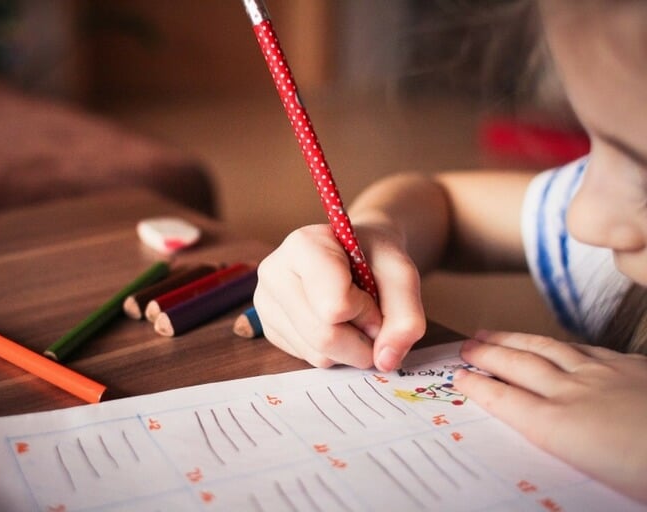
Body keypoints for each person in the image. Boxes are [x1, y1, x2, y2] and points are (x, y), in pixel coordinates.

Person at [252, 0, 647, 503]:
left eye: (642, 172)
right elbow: (444, 205)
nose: (579, 217)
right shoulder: (613, 240)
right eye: (592, 145)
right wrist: (379, 233)